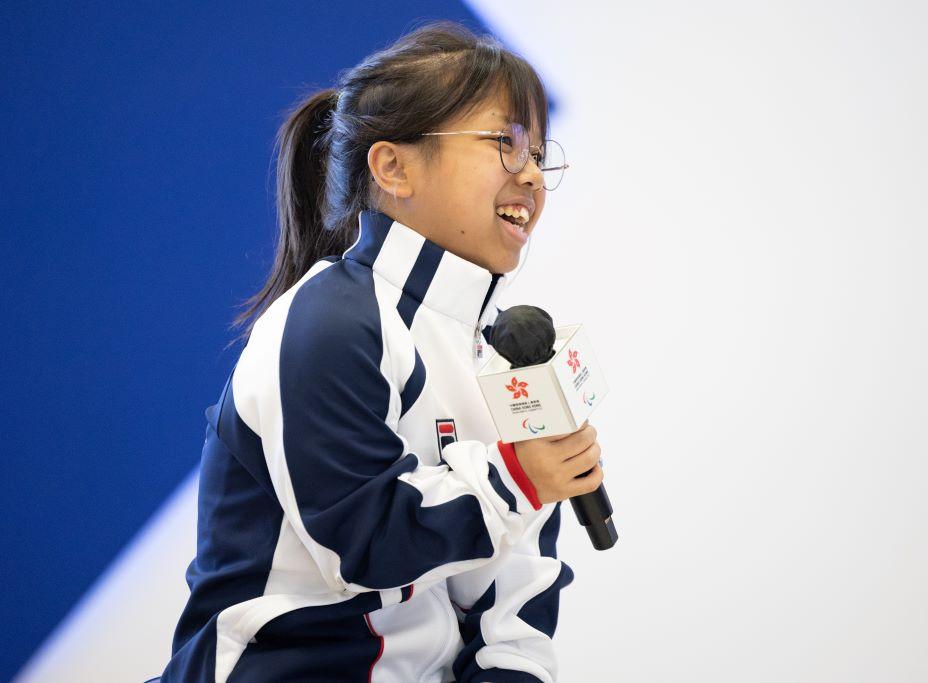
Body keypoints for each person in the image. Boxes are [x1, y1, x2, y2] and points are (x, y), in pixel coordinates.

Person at [159, 20, 603, 683]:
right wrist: (517, 478)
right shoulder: (326, 325)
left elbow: (514, 608)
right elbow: (363, 547)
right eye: (503, 145)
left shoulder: (504, 356)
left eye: (540, 153)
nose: (533, 176)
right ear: (393, 166)